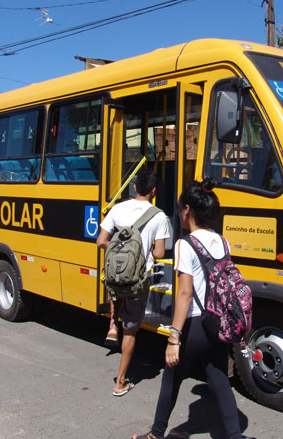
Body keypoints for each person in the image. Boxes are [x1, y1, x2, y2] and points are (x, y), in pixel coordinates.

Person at [133, 178, 244, 439]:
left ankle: (155, 434)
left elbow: (184, 293)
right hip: (216, 321)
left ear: (187, 211)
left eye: (181, 208)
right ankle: (235, 436)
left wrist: (174, 338)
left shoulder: (186, 244)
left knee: (171, 380)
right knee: (218, 377)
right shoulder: (222, 241)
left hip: (194, 324)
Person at [97, 168, 170, 396]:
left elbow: (101, 241)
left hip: (114, 273)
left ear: (135, 187)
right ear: (154, 191)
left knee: (116, 291)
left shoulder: (117, 209)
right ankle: (120, 382)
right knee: (130, 330)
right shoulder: (159, 216)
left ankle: (111, 326)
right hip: (138, 278)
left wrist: (120, 251)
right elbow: (158, 253)